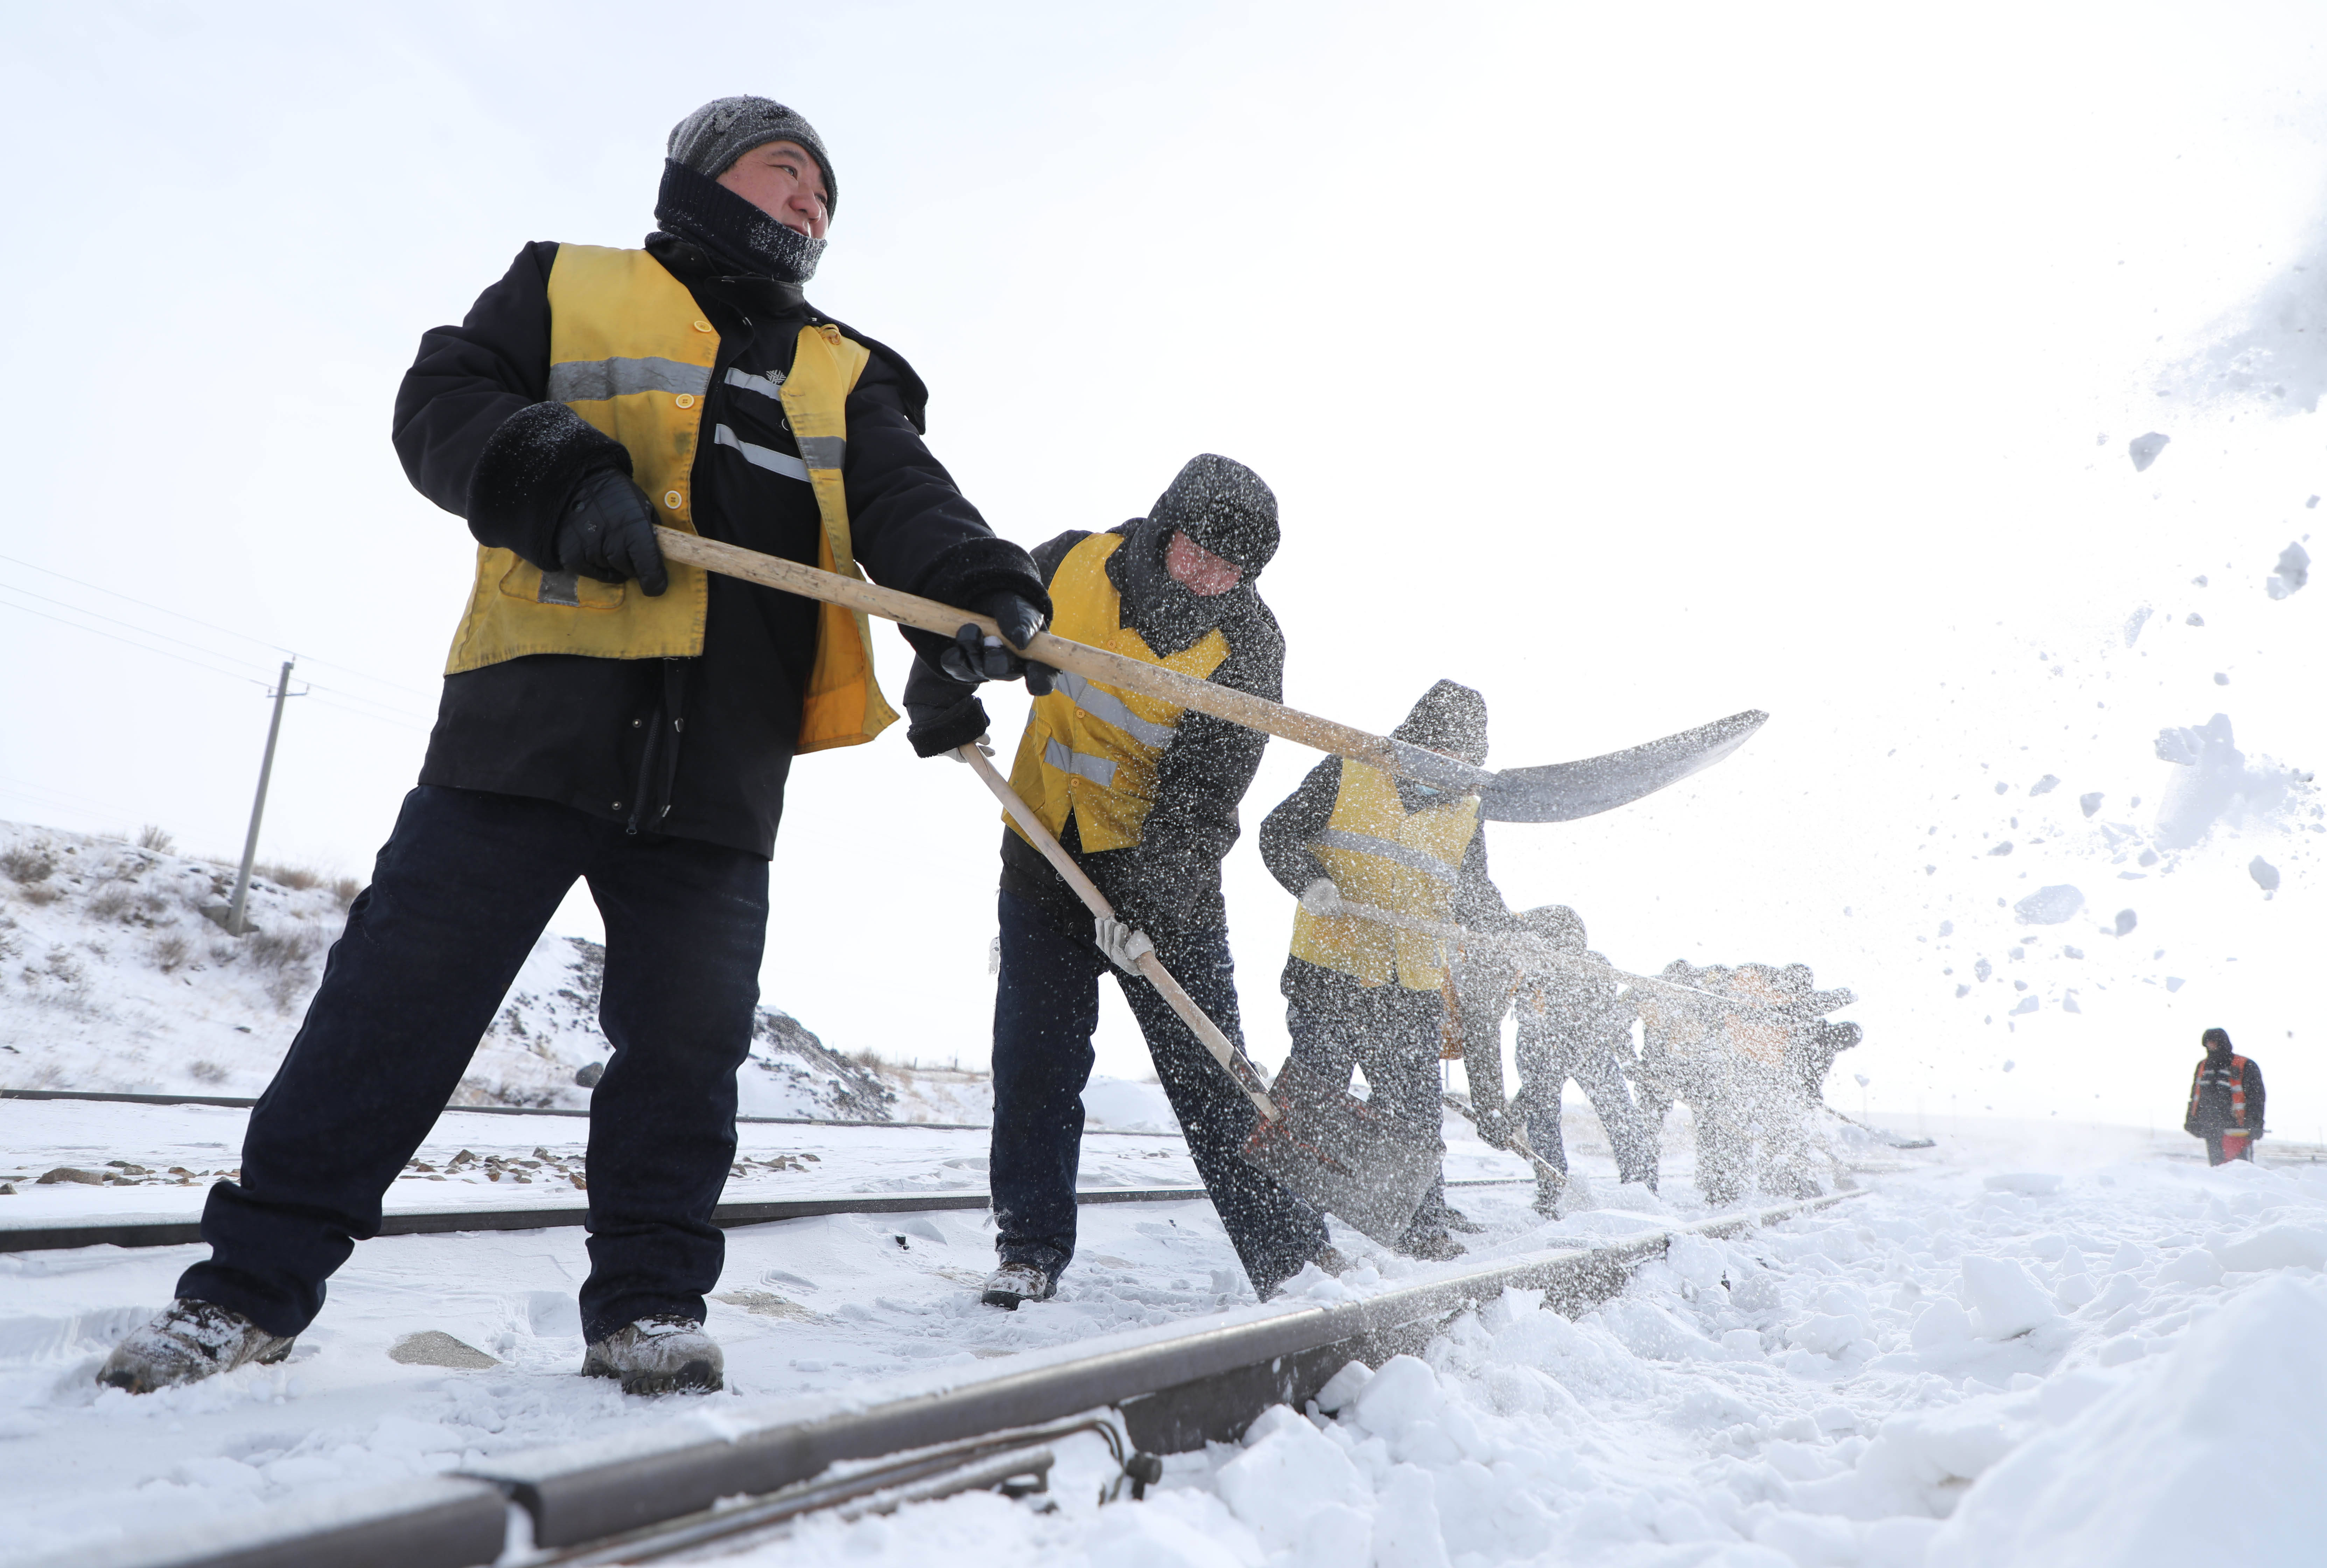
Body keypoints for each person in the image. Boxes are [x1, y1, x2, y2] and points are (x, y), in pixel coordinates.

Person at [99, 97, 1052, 1397]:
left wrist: (984, 590)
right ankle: (242, 1293)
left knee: (686, 1051)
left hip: (723, 755)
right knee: (394, 1010)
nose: (808, 208)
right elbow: (444, 400)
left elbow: (905, 500)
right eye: (787, 176)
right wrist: (560, 477)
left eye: (825, 201)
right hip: (534, 722)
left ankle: (650, 1306)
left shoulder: (844, 368)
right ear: (707, 178)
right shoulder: (566, 287)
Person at [904, 455, 1334, 1308]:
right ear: (1166, 523)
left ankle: (1291, 1264)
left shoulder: (1246, 645)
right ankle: (1028, 1249)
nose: (1210, 578)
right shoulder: (1068, 564)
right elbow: (963, 625)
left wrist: (1146, 906)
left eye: (1231, 571)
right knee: (1033, 1064)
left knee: (1212, 1078)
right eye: (1198, 552)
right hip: (1042, 853)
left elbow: (1205, 799)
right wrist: (940, 697)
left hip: (1161, 886)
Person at [1258, 681, 1516, 1260]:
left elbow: (1471, 890)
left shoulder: (1464, 814)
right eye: (1446, 753)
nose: (1454, 769)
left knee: (1415, 1121)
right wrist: (1309, 882)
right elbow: (1276, 833)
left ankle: (1423, 1234)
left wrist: (1506, 934)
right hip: (1330, 975)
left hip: (1411, 989)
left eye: (1466, 760)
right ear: (1419, 741)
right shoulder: (1349, 770)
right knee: (1313, 1109)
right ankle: (1299, 1242)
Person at [1455, 905, 1655, 1211]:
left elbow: (1599, 1028)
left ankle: (1642, 1190)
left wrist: (1512, 1115)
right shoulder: (1525, 970)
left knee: (1618, 1114)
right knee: (1545, 1119)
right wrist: (1502, 1113)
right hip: (1539, 1046)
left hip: (1589, 1049)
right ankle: (1554, 1190)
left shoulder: (1593, 970)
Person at [2185, 1027, 2265, 1166]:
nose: (2211, 1047)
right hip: (2212, 1130)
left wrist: (2256, 1123)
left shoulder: (2245, 1065)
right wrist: (2192, 1119)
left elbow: (2257, 1097)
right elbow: (2196, 1096)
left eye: (2214, 1043)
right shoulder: (2203, 1067)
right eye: (2208, 1043)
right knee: (2219, 1174)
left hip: (2238, 1130)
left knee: (2240, 1171)